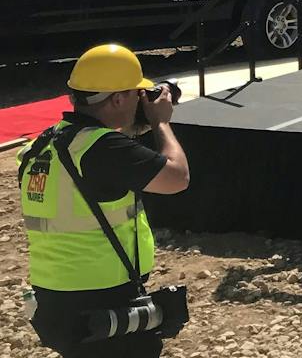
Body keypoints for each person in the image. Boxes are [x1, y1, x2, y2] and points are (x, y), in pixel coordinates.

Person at [18, 44, 191, 357]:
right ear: (118, 98)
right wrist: (160, 122)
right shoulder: (103, 149)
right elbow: (176, 178)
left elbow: (105, 157)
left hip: (53, 298)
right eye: (135, 94)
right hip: (103, 297)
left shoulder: (42, 145)